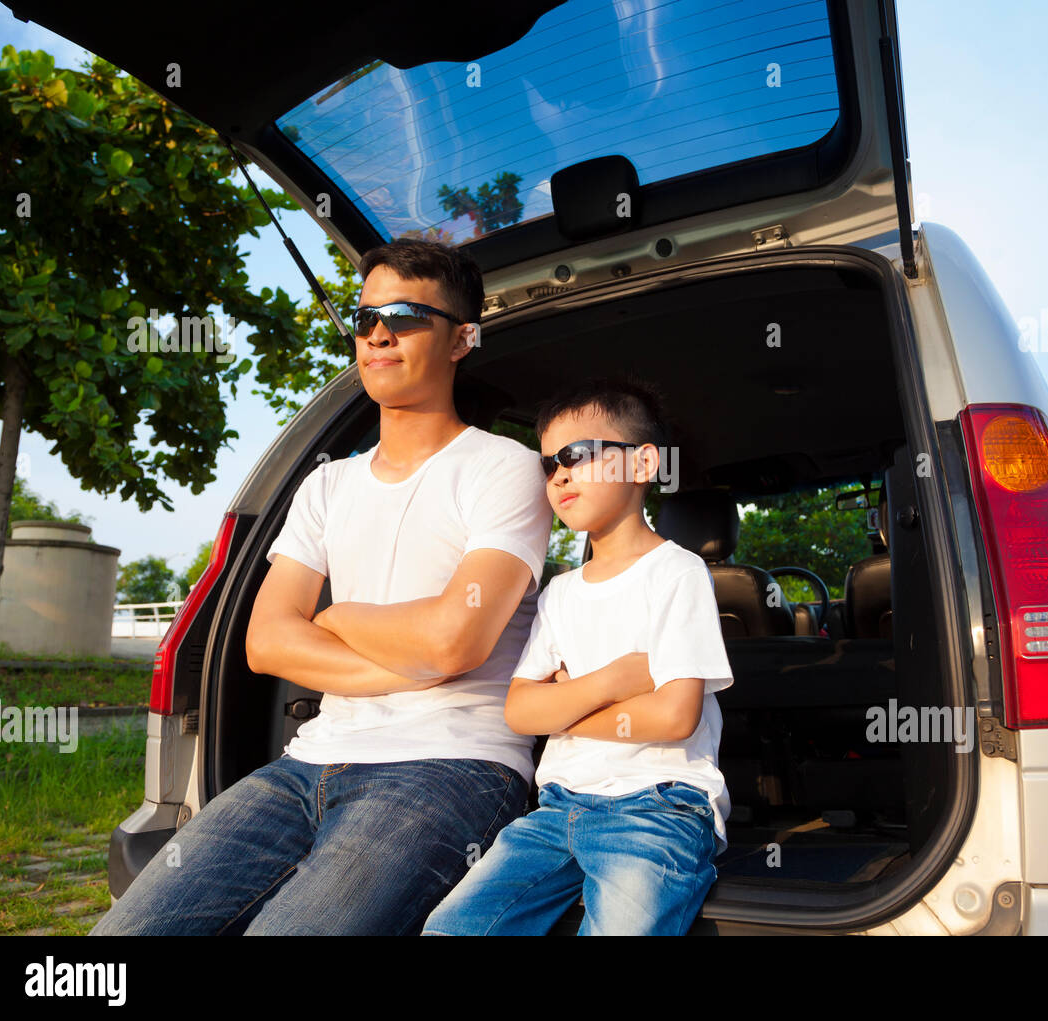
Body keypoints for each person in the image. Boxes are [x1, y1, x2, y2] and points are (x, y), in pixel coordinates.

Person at [92, 238, 551, 935]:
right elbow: (267, 643)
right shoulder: (326, 484)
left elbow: (456, 640)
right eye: (363, 318)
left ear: (462, 338)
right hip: (305, 763)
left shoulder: (506, 469)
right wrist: (415, 659)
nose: (378, 334)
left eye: (405, 315)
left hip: (452, 764)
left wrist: (339, 619)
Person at [421, 377, 734, 936]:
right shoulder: (560, 591)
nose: (560, 473)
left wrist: (563, 705)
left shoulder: (677, 572)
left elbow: (673, 716)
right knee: (451, 928)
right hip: (556, 809)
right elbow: (519, 712)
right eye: (549, 464)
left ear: (641, 464)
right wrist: (615, 680)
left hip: (657, 809)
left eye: (579, 455)